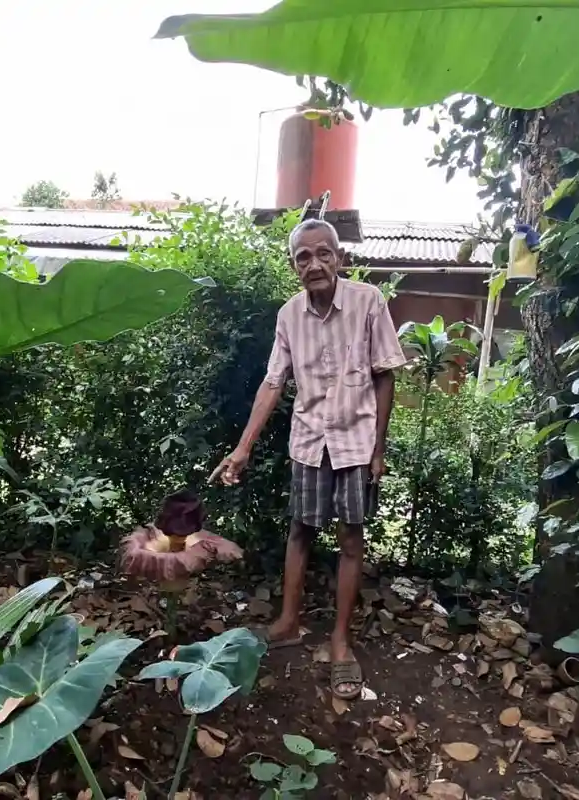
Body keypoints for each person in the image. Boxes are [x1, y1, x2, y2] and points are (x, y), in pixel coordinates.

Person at [209, 218, 406, 700]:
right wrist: (243, 447)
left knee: (351, 538)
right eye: (303, 256)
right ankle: (288, 621)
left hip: (356, 442)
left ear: (339, 258)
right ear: (292, 265)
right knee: (300, 529)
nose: (314, 264)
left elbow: (385, 376)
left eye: (324, 254)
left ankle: (341, 640)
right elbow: (274, 382)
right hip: (309, 440)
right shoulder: (288, 316)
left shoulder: (368, 302)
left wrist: (379, 448)